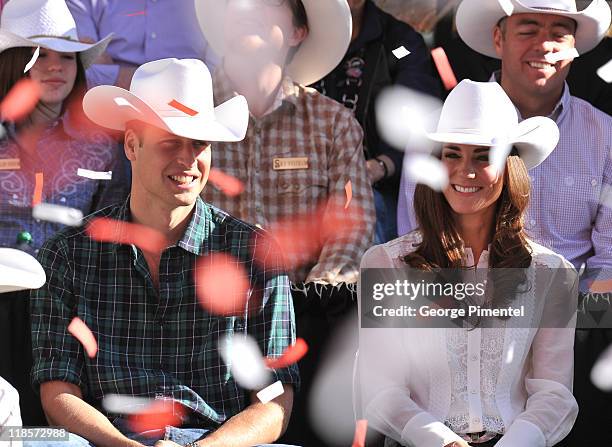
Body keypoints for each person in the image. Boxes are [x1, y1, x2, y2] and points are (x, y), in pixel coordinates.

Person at [30, 58, 299, 447]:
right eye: (171, 142)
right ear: (132, 145)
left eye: (199, 144)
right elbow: (57, 392)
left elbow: (275, 400)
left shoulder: (255, 253)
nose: (188, 159)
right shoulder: (67, 254)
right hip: (105, 441)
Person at [358, 79, 577, 447]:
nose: (466, 170)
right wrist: (441, 441)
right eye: (452, 153)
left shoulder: (553, 274)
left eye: (483, 155)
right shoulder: (385, 263)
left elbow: (554, 393)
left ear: (511, 166)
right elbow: (381, 388)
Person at [196, 1, 375, 444]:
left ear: (297, 32)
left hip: (302, 321)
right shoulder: (188, 114)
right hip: (196, 319)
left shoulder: (333, 123)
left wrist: (304, 301)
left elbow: (350, 227)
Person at [451, 1, 610, 444]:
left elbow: (610, 259)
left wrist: (566, 328)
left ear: (574, 47)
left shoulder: (607, 136)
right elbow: (420, 241)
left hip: (574, 320)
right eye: (528, 29)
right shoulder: (444, 135)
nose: (544, 44)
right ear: (498, 38)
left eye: (559, 32)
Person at [0, 0, 125, 426]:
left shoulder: (104, 140)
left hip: (68, 304)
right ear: (15, 63)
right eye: (43, 56)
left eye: (67, 57)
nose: (57, 68)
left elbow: (112, 226)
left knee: (53, 429)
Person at [312, 0, 440, 244]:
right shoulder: (299, 33)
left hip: (373, 184)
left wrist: (378, 166)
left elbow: (422, 128)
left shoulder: (400, 42)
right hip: (301, 179)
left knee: (361, 207)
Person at [66, 0, 219, 88]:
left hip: (190, 119)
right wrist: (175, 81)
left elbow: (217, 75)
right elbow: (79, 70)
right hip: (107, 119)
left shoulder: (211, 4)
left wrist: (115, 75)